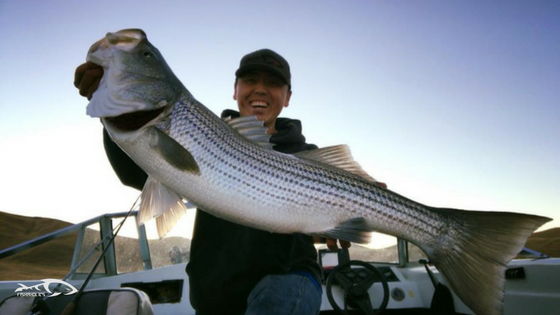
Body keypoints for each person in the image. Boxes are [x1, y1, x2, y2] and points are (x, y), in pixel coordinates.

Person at [74, 48, 356, 315]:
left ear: (288, 96)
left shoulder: (306, 156)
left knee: (280, 295)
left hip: (289, 277)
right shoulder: (200, 135)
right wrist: (111, 112)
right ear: (235, 90)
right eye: (250, 80)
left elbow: (322, 225)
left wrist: (332, 224)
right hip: (214, 288)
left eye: (273, 83)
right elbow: (136, 172)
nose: (260, 88)